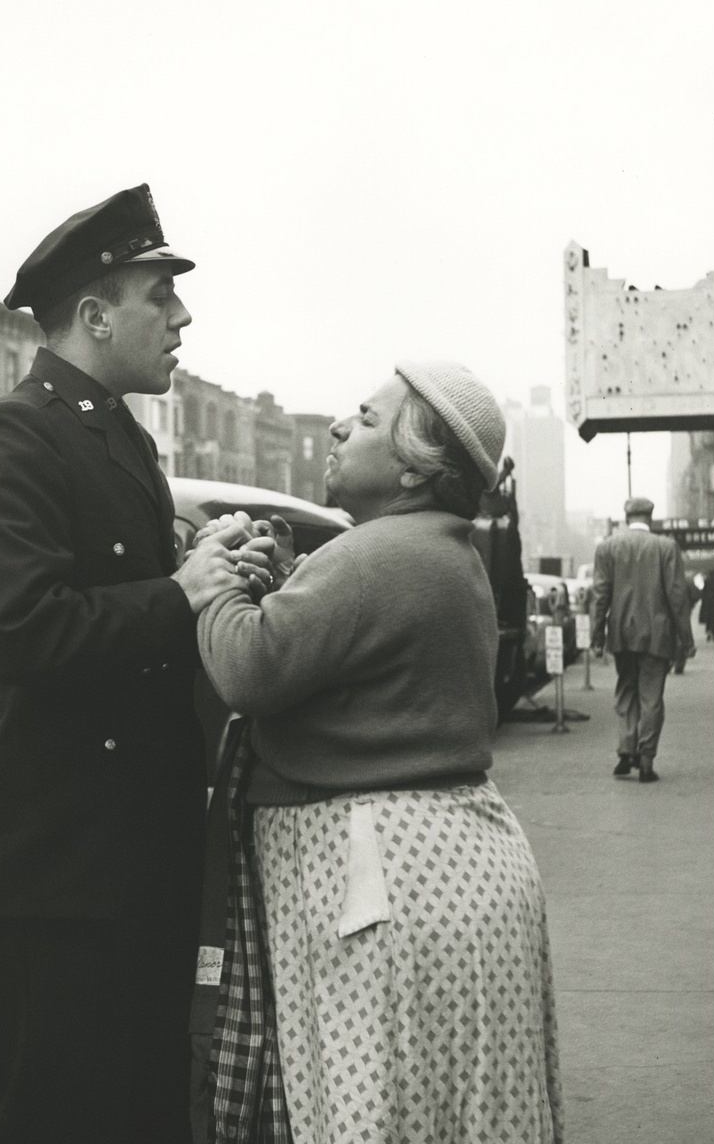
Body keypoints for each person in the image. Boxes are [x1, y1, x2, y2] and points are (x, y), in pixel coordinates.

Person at [0, 184, 270, 1144]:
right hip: (54, 882)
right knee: (55, 1119)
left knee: (138, 1113)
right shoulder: (15, 433)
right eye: (159, 296)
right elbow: (22, 630)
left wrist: (214, 569)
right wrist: (183, 592)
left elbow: (128, 605)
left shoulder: (119, 434)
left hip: (126, 867)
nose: (182, 317)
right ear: (93, 314)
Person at [196, 362, 563, 1143]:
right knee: (450, 1106)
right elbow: (357, 657)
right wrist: (298, 580)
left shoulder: (374, 556)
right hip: (452, 871)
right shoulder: (436, 549)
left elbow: (248, 668)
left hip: (380, 884)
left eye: (364, 419)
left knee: (379, 1103)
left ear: (413, 467)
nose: (337, 426)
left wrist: (213, 583)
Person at [591, 496, 694, 782]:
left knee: (626, 690)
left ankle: (626, 750)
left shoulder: (608, 547)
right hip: (657, 635)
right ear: (650, 518)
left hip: (622, 633)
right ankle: (646, 760)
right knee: (652, 696)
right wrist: (686, 639)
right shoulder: (666, 547)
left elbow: (600, 594)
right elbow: (677, 596)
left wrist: (597, 634)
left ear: (627, 519)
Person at [672, 572, 701, 674]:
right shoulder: (687, 580)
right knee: (682, 634)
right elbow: (696, 594)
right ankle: (679, 664)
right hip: (683, 610)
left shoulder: (661, 577)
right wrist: (690, 604)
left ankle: (668, 662)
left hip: (666, 611)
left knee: (668, 634)